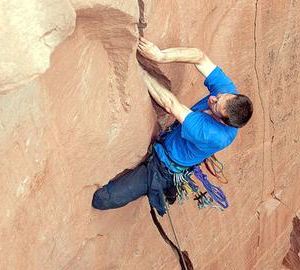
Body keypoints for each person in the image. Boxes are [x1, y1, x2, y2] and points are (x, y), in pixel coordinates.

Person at [92, 37, 253, 215]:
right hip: (170, 141)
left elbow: (171, 105)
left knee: (103, 199)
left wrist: (139, 73)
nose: (213, 98)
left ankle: (159, 186)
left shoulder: (213, 134)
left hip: (163, 168)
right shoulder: (228, 95)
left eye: (215, 105)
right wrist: (160, 56)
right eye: (220, 96)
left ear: (223, 121)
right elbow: (200, 57)